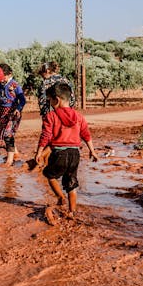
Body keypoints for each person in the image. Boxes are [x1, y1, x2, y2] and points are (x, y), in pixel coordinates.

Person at [34, 82, 98, 225]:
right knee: (72, 182)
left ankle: (60, 197)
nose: (50, 103)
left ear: (56, 99)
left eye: (50, 100)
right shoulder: (78, 116)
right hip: (75, 154)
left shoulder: (51, 116)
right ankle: (72, 211)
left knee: (49, 175)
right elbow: (86, 135)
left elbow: (45, 135)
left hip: (59, 154)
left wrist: (38, 152)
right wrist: (92, 151)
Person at [0, 63, 26, 166]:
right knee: (4, 134)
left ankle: (9, 161)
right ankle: (15, 152)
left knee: (8, 135)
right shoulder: (0, 86)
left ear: (9, 74)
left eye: (2, 77)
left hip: (12, 113)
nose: (0, 80)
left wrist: (18, 109)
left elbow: (22, 100)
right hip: (2, 113)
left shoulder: (14, 85)